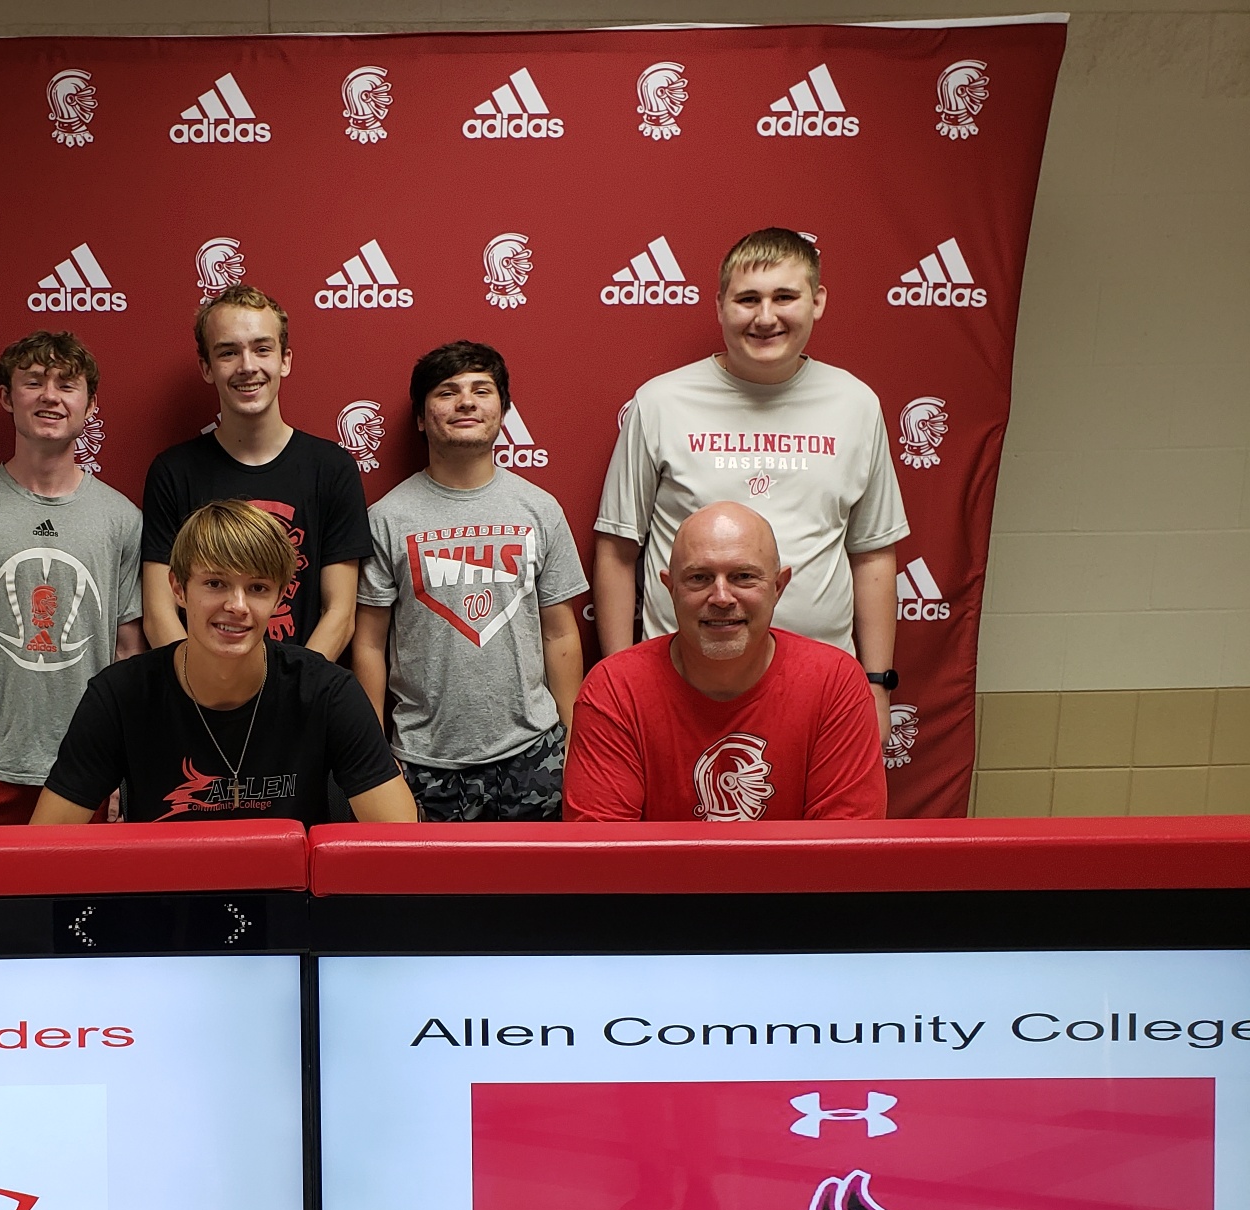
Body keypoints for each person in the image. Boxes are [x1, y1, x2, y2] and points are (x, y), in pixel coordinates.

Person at [592, 227, 907, 741]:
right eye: (747, 299)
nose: (765, 317)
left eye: (785, 297)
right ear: (719, 306)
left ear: (817, 301)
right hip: (679, 684)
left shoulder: (856, 404)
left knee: (823, 824)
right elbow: (618, 548)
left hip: (821, 686)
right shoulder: (661, 402)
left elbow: (872, 553)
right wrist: (620, 680)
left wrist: (875, 682)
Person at [34, 500, 416, 825]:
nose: (237, 606)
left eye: (258, 588)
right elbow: (44, 850)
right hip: (168, 906)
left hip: (291, 905)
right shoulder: (119, 695)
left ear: (280, 597)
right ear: (179, 589)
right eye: (215, 583)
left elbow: (400, 846)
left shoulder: (328, 692)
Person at [352, 342, 587, 821]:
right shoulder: (387, 518)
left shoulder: (539, 509)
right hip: (421, 761)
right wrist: (377, 753)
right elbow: (370, 644)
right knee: (431, 898)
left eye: (482, 390)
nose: (466, 402)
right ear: (421, 417)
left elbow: (560, 631)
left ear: (502, 411)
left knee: (533, 895)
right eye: (448, 391)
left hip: (533, 756)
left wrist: (575, 742)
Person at [0, 331, 144, 825]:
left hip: (86, 766)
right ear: (7, 396)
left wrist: (118, 766)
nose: (50, 396)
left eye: (67, 385)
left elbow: (127, 650)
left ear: (90, 404)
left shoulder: (122, 519)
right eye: (33, 382)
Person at [564, 501, 886, 822]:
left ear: (778, 587)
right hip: (655, 876)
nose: (721, 597)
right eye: (699, 578)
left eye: (743, 576)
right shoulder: (615, 690)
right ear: (670, 588)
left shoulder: (834, 684)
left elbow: (844, 855)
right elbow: (603, 860)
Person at [138, 285, 371, 659]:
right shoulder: (173, 472)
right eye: (228, 352)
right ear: (206, 367)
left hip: (302, 700)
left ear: (285, 360)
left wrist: (291, 694)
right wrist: (208, 689)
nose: (247, 366)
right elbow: (159, 614)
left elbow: (340, 614)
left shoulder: (331, 468)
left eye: (262, 349)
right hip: (203, 701)